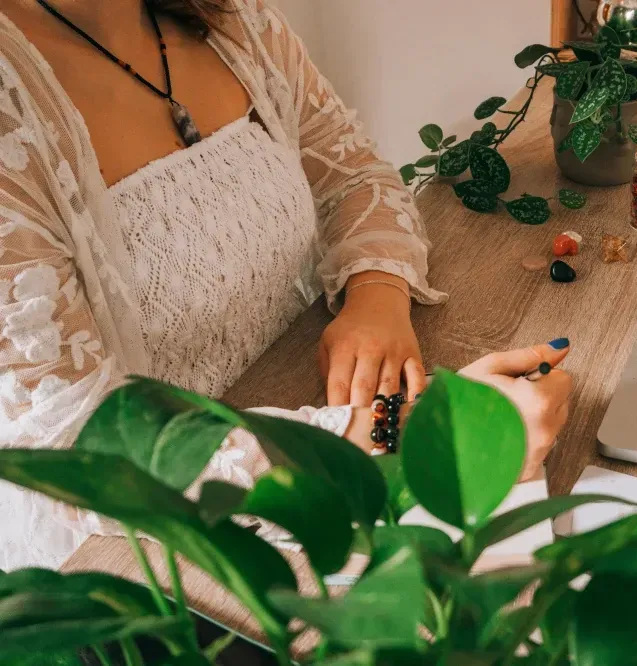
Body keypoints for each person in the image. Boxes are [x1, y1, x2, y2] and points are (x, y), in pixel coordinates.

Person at [0, 0, 572, 571]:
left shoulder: (235, 18)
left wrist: (376, 292)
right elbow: (73, 438)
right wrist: (412, 430)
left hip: (308, 395)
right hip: (147, 564)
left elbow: (353, 174)